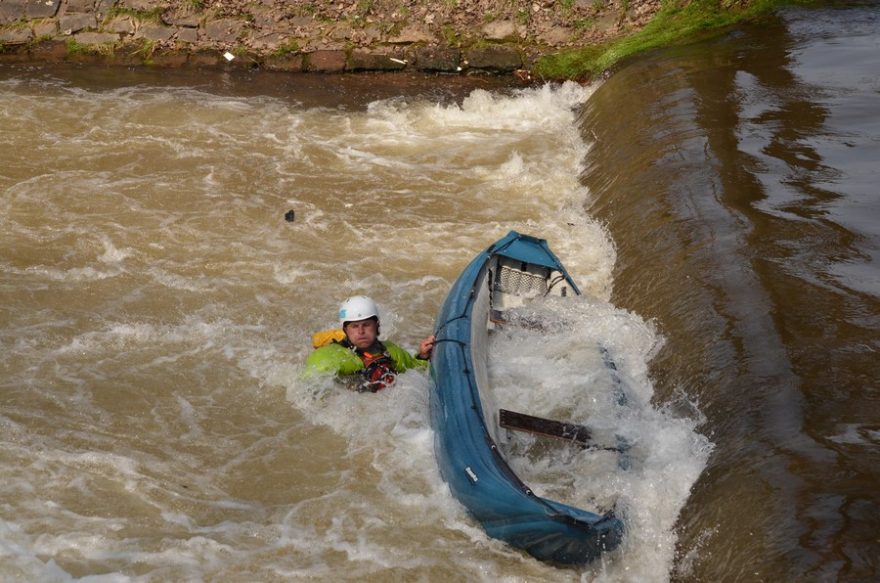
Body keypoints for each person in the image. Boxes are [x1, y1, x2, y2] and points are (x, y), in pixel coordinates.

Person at [304, 295, 435, 392]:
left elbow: (415, 369)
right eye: (354, 326)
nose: (361, 332)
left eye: (366, 325)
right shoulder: (329, 357)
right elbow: (309, 388)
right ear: (345, 330)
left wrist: (423, 356)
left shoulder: (391, 351)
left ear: (377, 325)